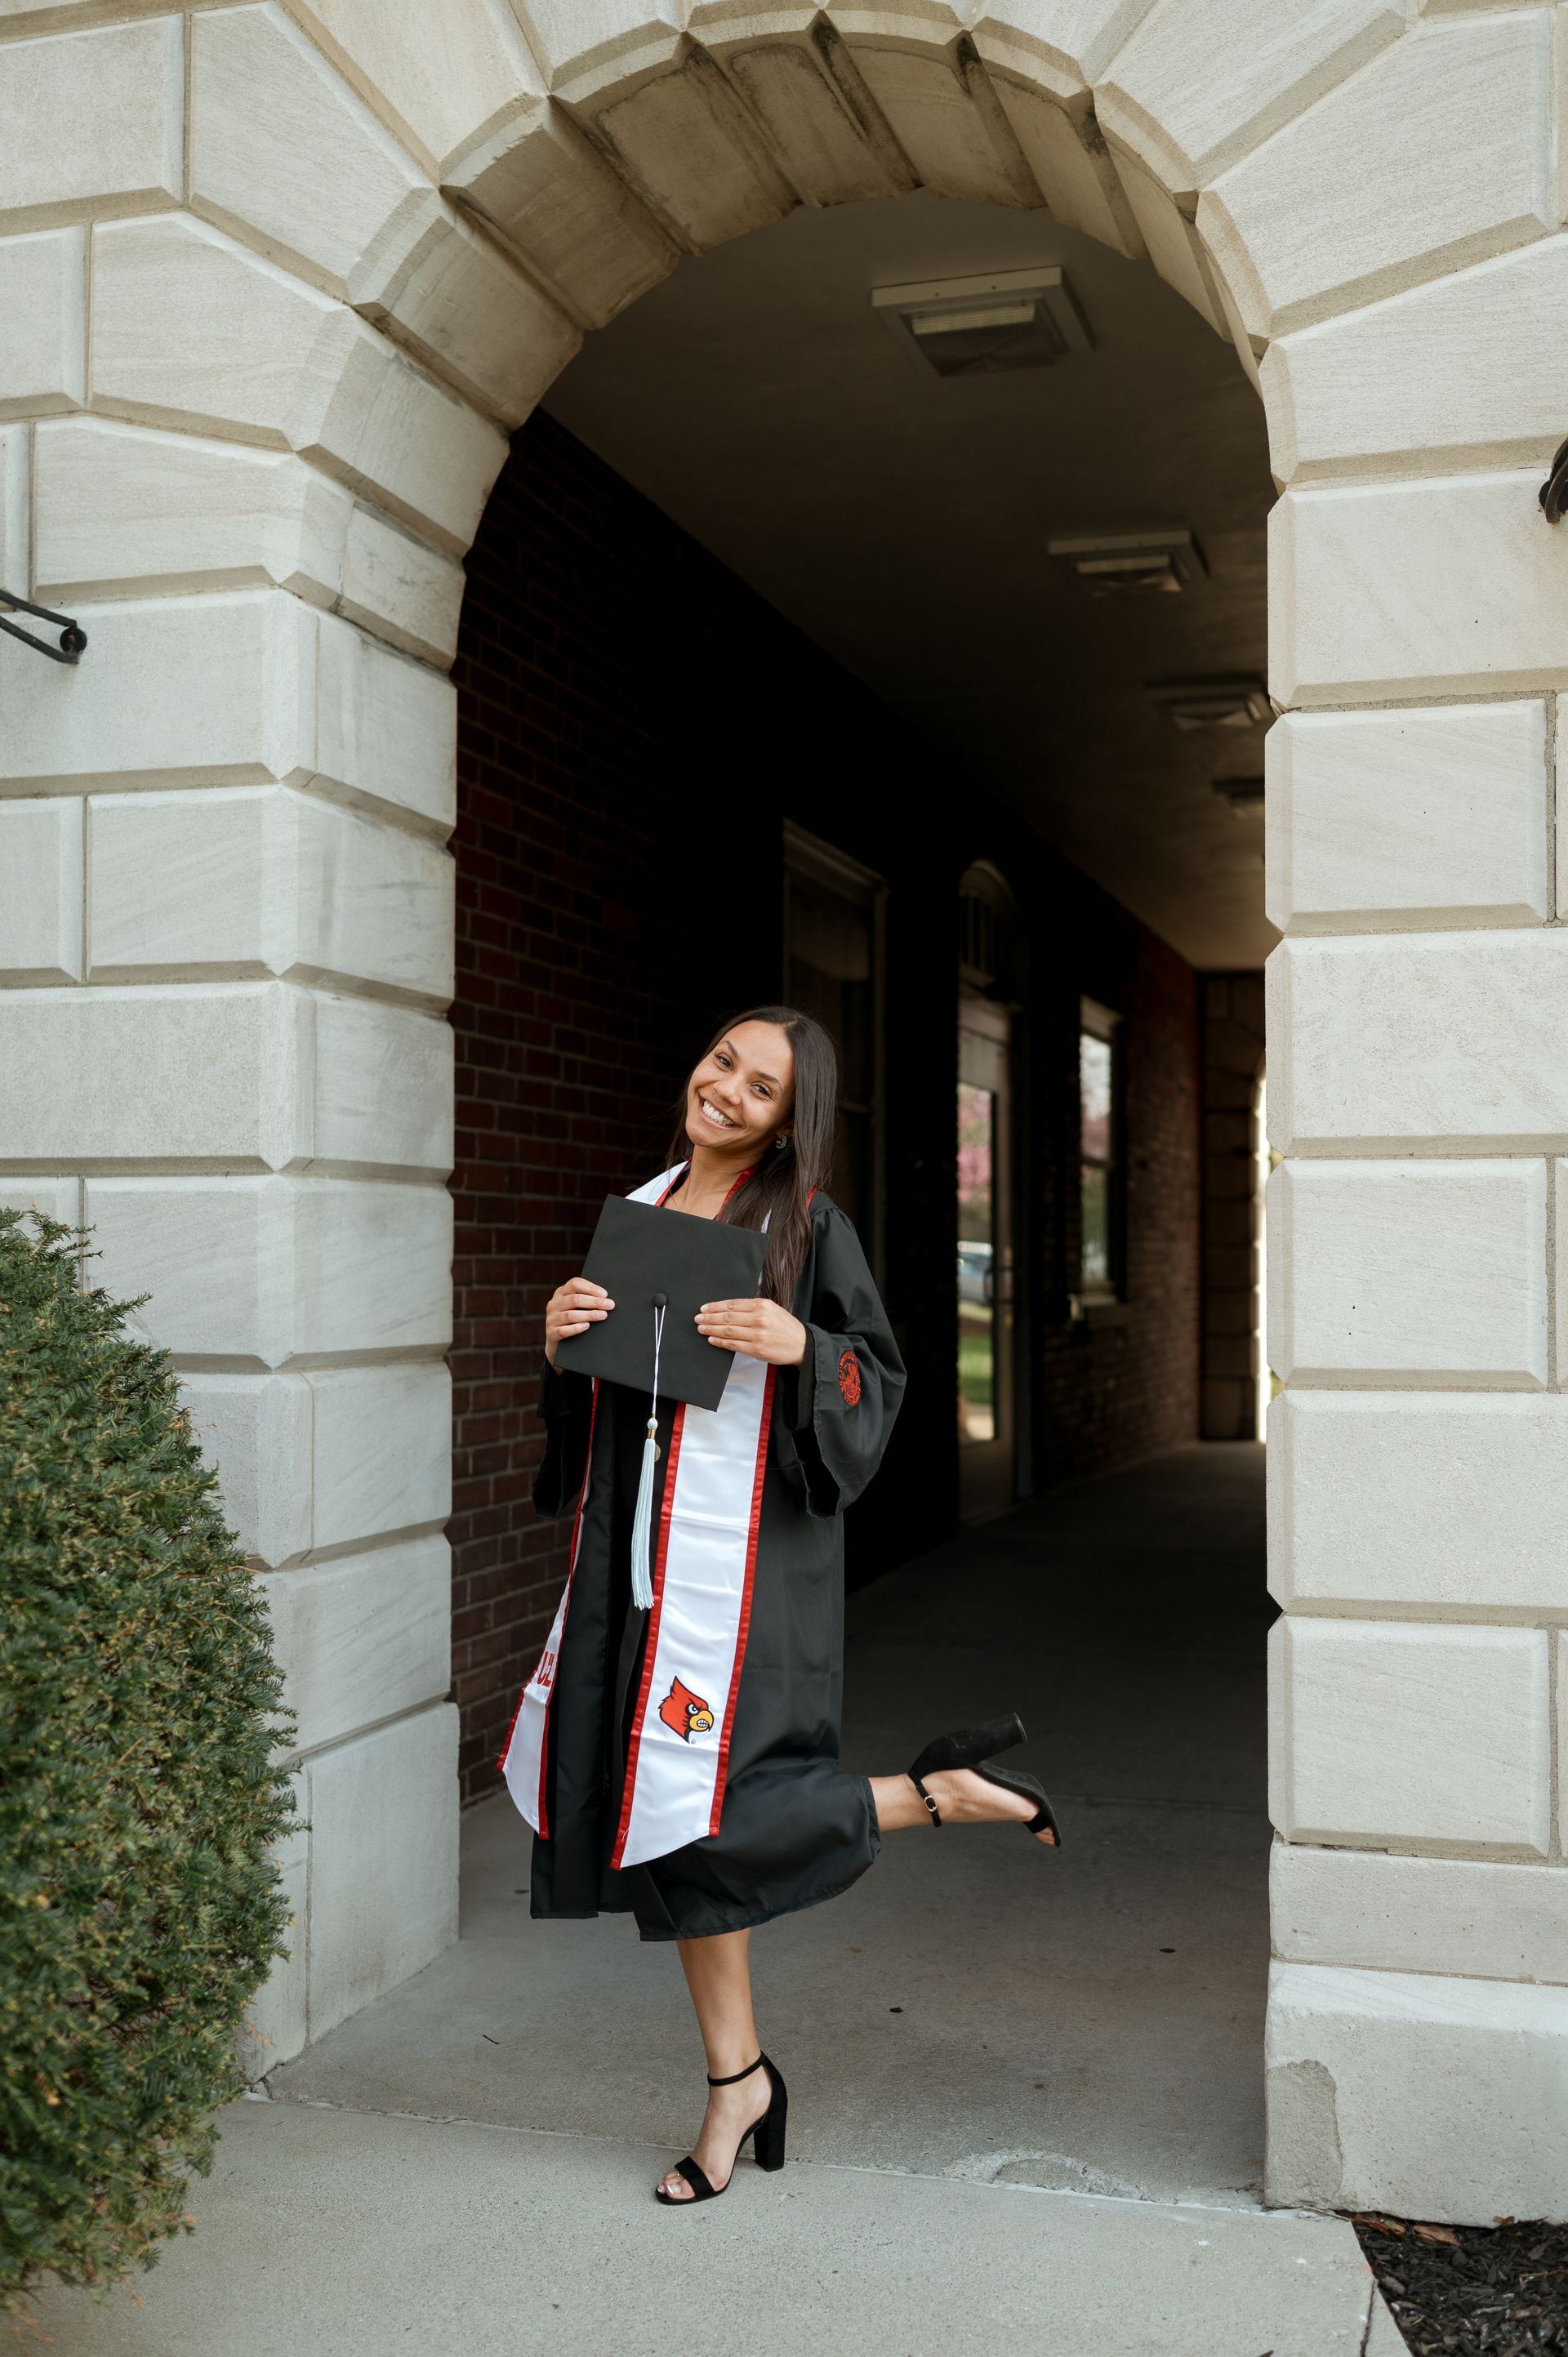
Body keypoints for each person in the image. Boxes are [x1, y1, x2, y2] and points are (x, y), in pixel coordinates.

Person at [501, 1005, 1059, 2208]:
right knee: (661, 1821)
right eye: (721, 1062)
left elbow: (884, 1377)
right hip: (632, 1565)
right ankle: (737, 2082)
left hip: (744, 1578)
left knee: (704, 1816)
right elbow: (608, 1401)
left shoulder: (806, 1226)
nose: (727, 1090)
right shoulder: (642, 1209)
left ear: (786, 1117)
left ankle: (925, 1795)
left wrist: (803, 1341)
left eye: (760, 1086)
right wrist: (558, 1346)